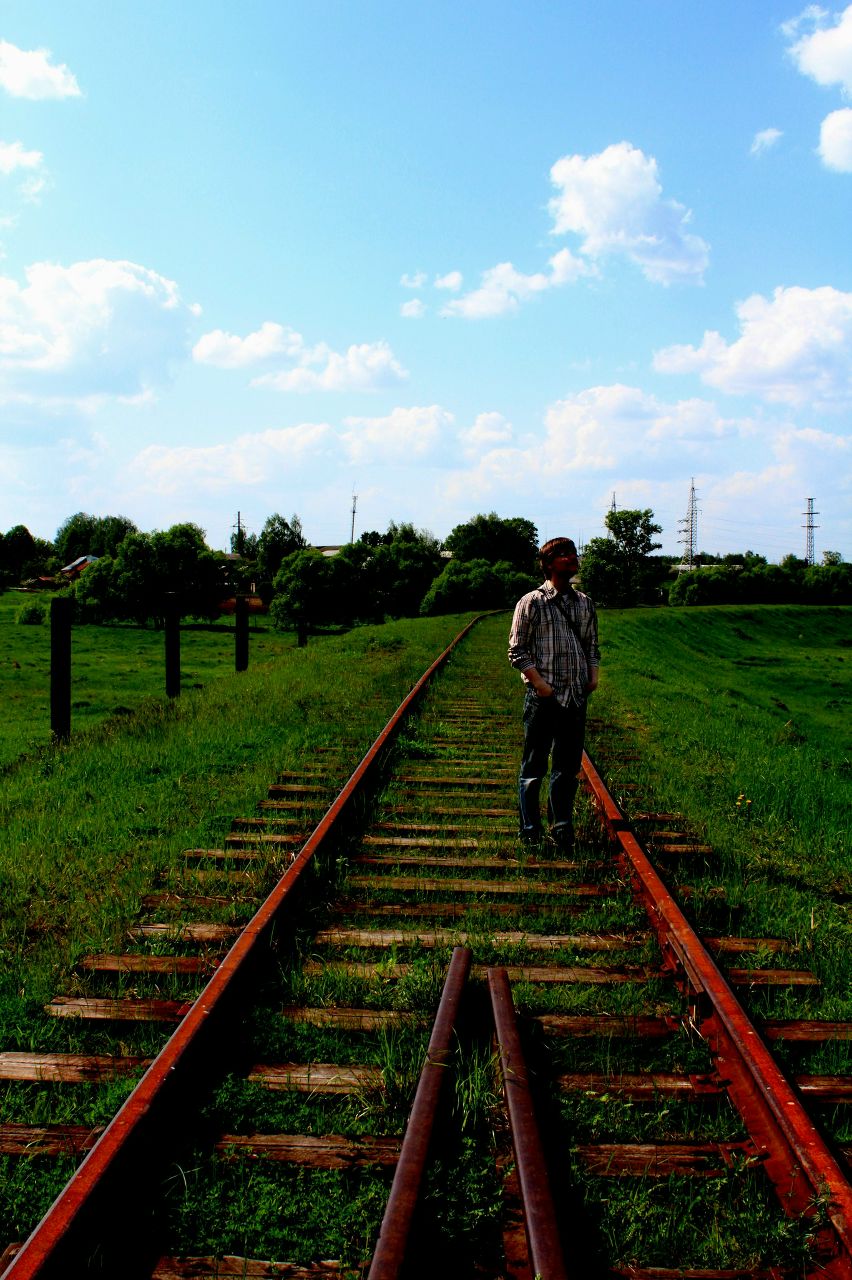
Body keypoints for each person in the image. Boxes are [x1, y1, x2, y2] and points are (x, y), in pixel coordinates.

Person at [508, 537, 600, 850]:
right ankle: (530, 828)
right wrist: (539, 684)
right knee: (533, 766)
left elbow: (592, 646)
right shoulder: (531, 602)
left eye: (573, 553)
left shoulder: (584, 603)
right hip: (543, 698)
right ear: (548, 564)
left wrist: (593, 677)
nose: (571, 558)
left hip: (575, 697)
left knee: (567, 767)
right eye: (563, 555)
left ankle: (562, 825)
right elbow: (517, 650)